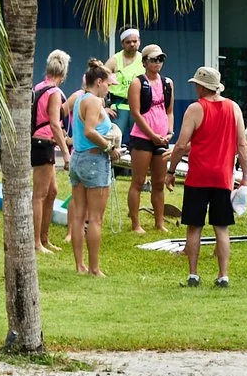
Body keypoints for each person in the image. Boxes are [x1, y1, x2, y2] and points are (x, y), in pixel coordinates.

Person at [168, 65, 247, 287]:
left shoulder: (195, 109)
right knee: (221, 227)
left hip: (198, 177)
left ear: (202, 87)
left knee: (194, 226)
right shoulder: (234, 108)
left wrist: (171, 171)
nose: (195, 88)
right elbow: (243, 145)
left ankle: (193, 274)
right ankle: (223, 275)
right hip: (223, 176)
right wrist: (244, 176)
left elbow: (181, 145)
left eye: (196, 85)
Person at [66, 59, 122, 276]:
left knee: (79, 216)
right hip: (93, 161)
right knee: (95, 218)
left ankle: (80, 265)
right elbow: (90, 130)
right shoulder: (95, 102)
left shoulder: (80, 98)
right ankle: (94, 268)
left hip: (78, 159)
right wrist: (110, 147)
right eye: (108, 84)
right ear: (99, 82)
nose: (109, 89)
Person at [125, 44, 177, 233]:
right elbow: (136, 113)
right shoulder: (138, 83)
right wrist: (152, 135)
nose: (158, 63)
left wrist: (169, 132)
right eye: (154, 60)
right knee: (138, 181)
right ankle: (135, 223)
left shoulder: (167, 83)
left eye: (160, 59)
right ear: (145, 62)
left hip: (162, 138)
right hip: (142, 137)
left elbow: (169, 111)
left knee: (159, 182)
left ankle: (159, 222)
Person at [31, 50, 70, 254]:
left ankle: (44, 239)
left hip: (43, 142)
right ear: (63, 73)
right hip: (43, 142)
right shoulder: (54, 93)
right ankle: (36, 242)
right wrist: (66, 153)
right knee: (39, 195)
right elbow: (55, 125)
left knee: (52, 191)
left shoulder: (39, 86)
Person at [105, 27, 146, 138]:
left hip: (139, 107)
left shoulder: (145, 60)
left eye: (135, 41)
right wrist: (103, 107)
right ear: (123, 43)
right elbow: (98, 82)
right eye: (128, 42)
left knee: (140, 141)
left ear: (139, 41)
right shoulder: (114, 60)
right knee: (115, 139)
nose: (132, 44)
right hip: (119, 107)